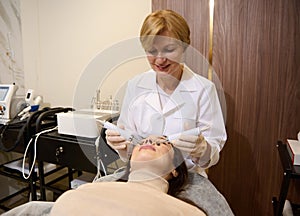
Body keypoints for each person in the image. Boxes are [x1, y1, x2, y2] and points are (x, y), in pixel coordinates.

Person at [104, 9, 232, 215]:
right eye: (152, 51)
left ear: (184, 46)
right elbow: (130, 146)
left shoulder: (203, 89)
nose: (160, 59)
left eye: (169, 49)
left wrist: (202, 149)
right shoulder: (136, 85)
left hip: (187, 180)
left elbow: (212, 152)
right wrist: (120, 145)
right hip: (141, 178)